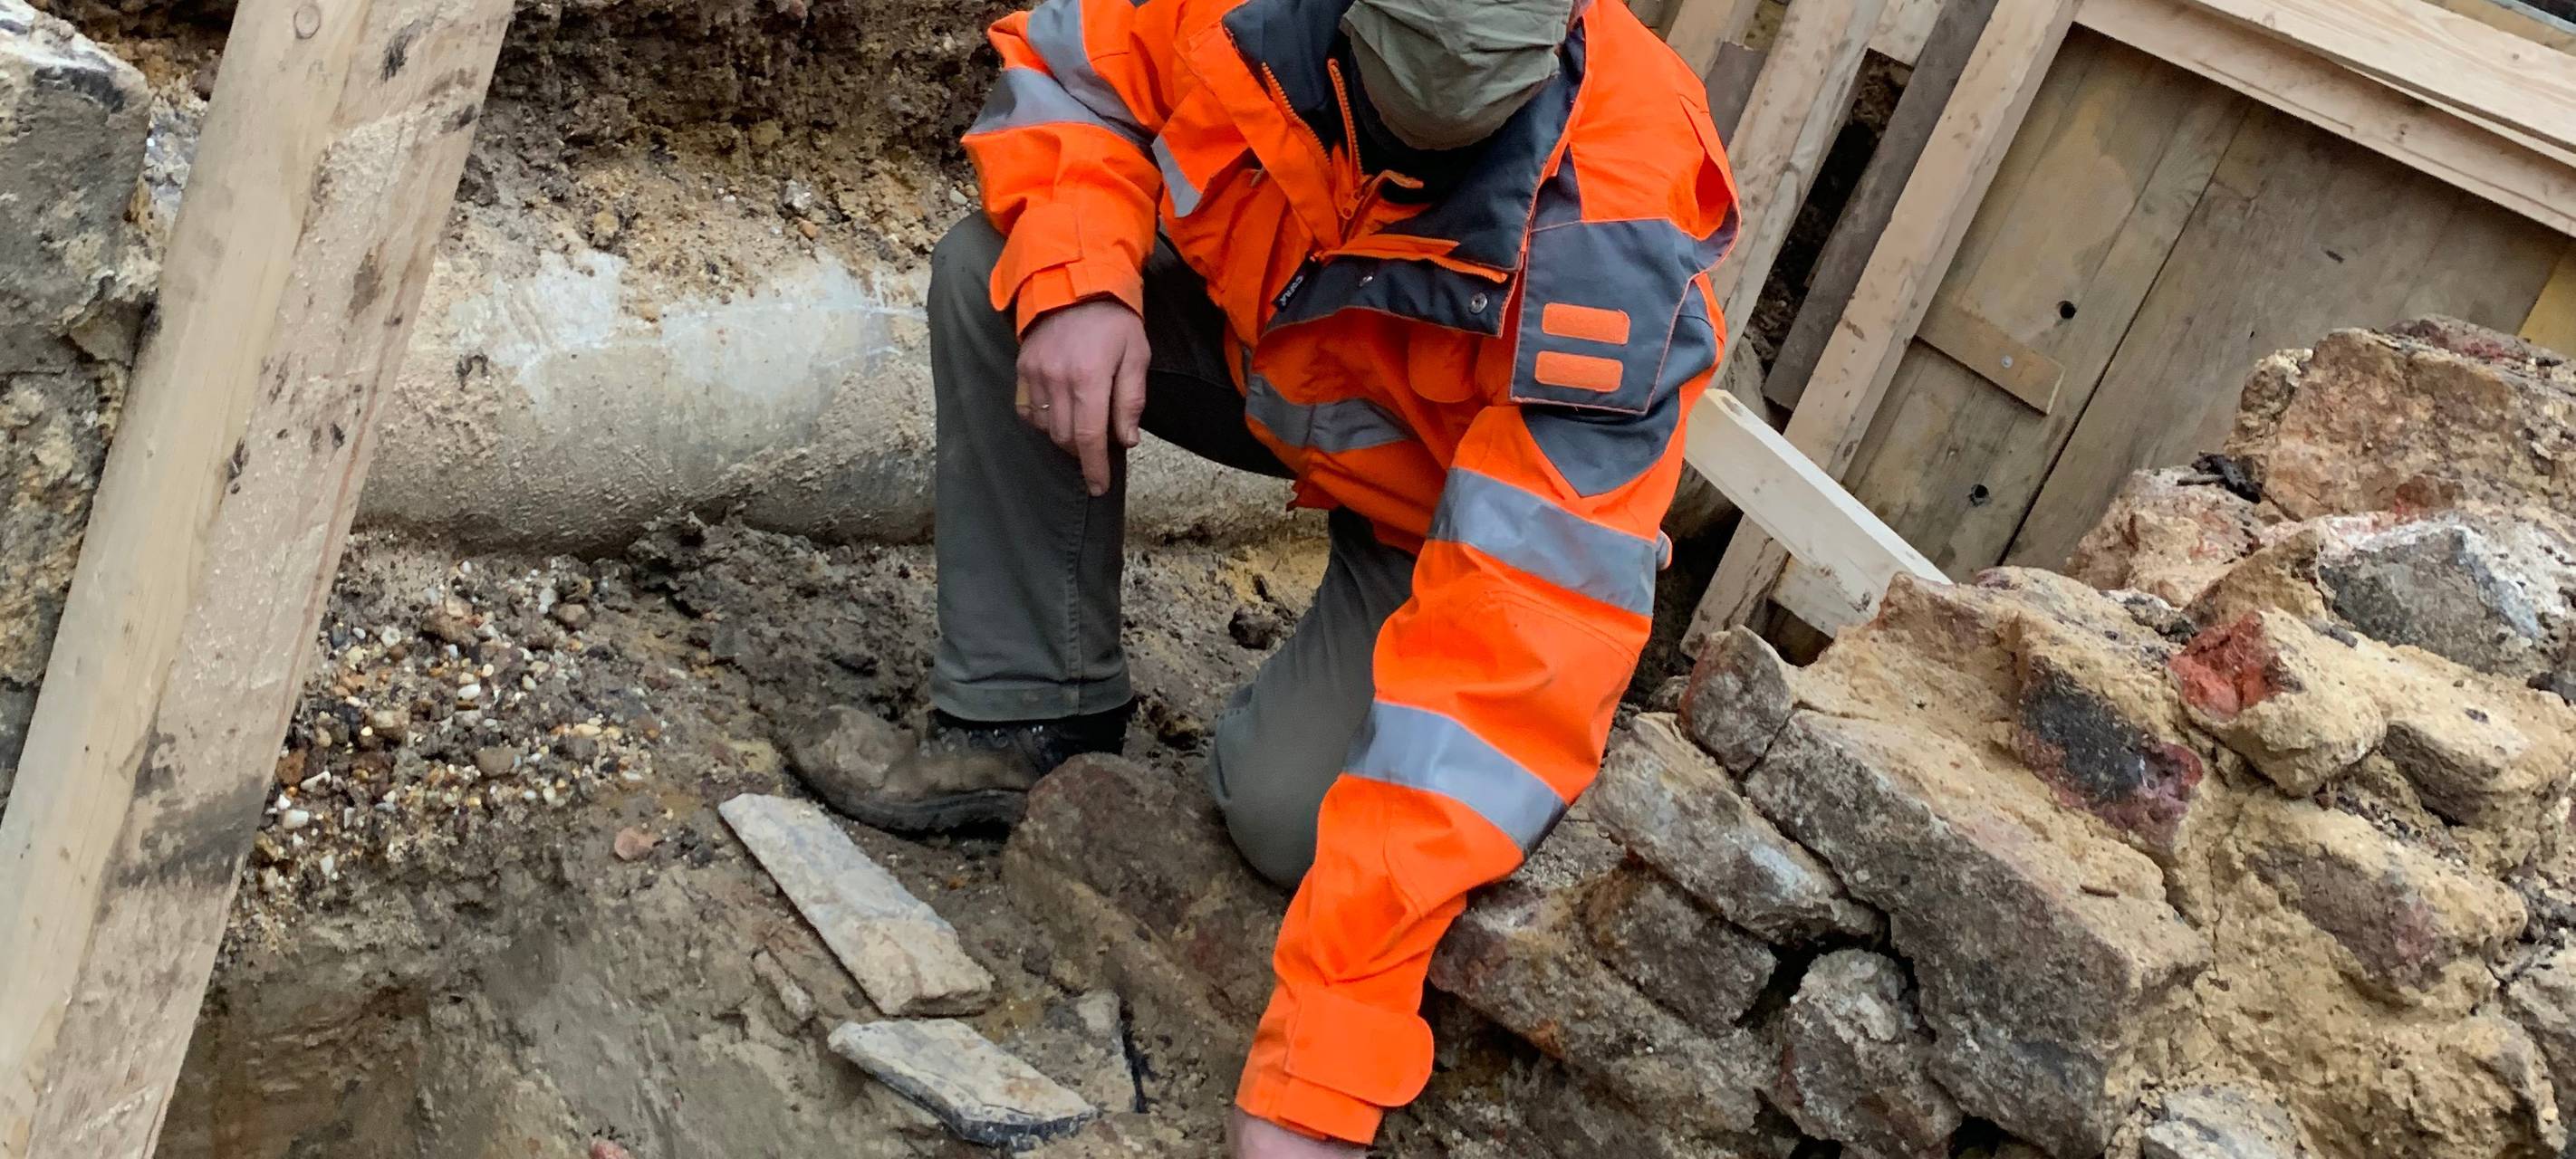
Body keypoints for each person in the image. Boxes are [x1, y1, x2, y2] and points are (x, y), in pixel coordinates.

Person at [797, 0, 1736, 1153]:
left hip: (1448, 521)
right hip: (1264, 352)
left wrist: (1317, 1078)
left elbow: (1517, 635)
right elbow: (1071, 72)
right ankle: (1022, 713)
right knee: (999, 271)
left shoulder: (1616, 224)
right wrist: (1084, 278)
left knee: (1285, 818)